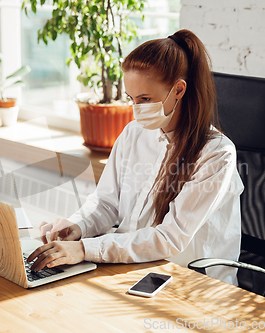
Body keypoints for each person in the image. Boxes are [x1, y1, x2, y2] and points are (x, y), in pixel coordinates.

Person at [27, 29, 245, 285]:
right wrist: (79, 227)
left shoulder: (217, 154)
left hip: (189, 283)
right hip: (129, 266)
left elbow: (169, 239)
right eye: (131, 98)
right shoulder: (134, 134)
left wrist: (85, 249)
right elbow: (107, 203)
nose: (137, 109)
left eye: (145, 98)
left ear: (178, 89)